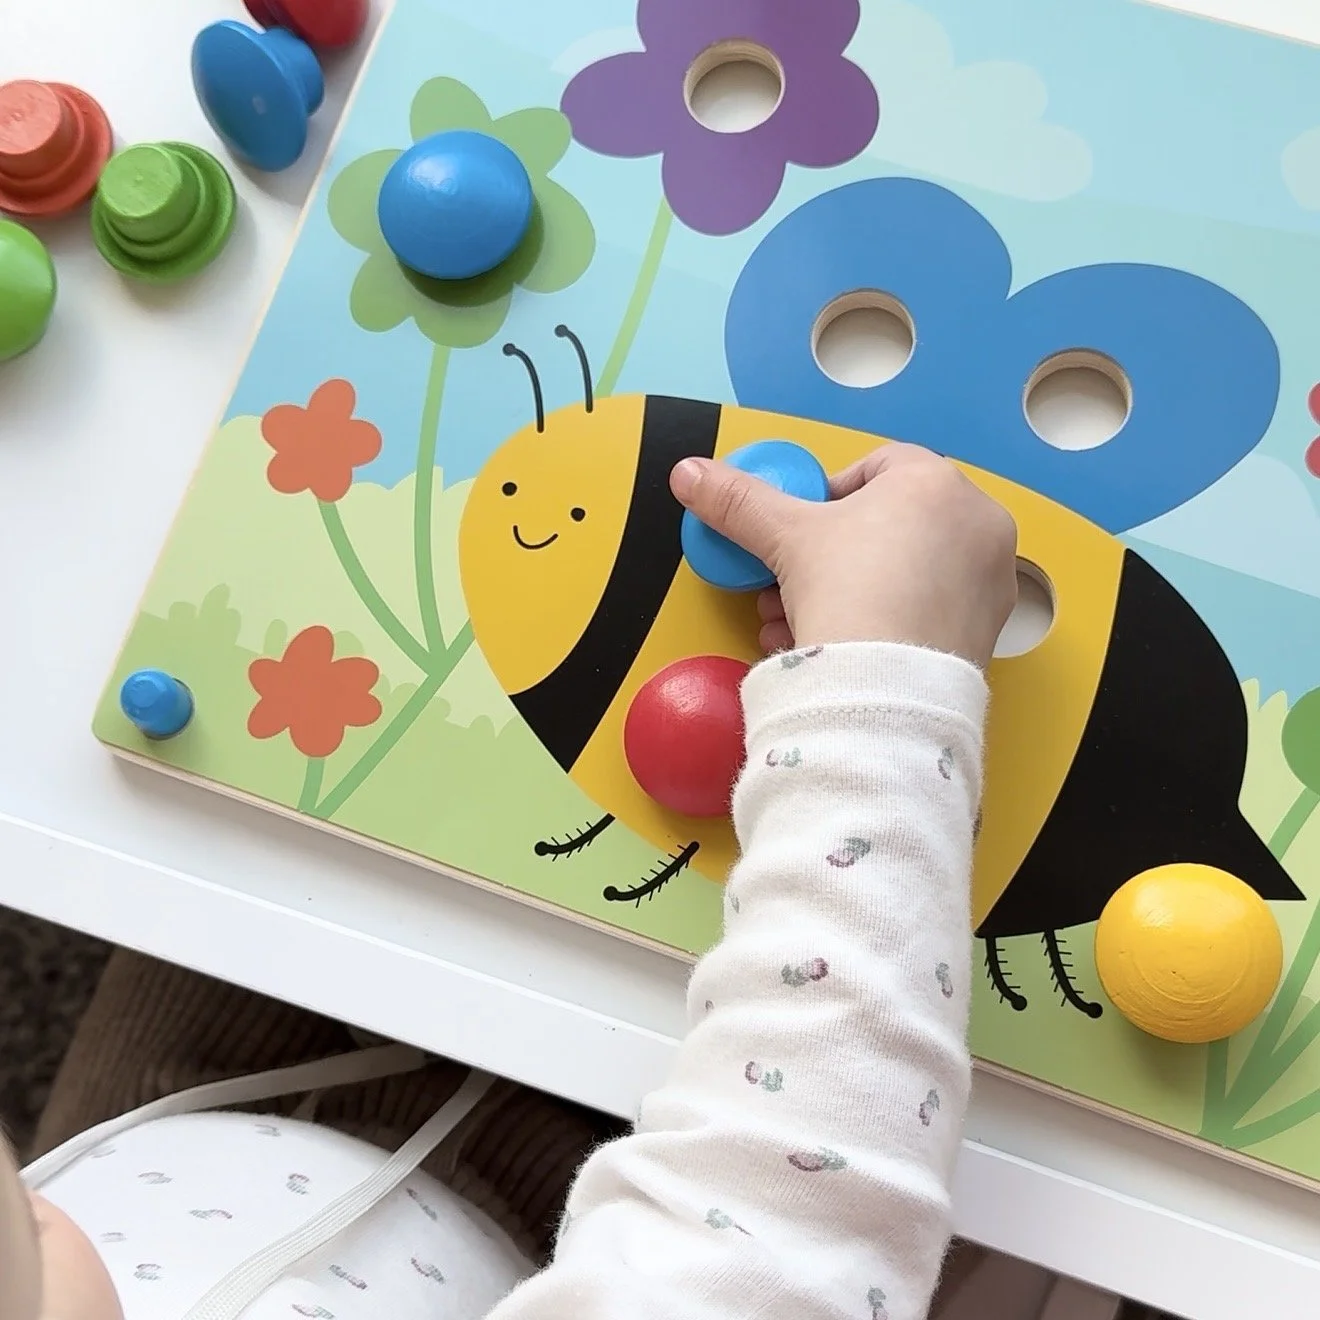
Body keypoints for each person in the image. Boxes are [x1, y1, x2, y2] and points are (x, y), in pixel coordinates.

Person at [0, 440, 1017, 1320]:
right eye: (31, 1254)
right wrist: (887, 688)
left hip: (191, 1132)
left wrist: (54, 1253)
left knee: (208, 836)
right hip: (548, 1216)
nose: (30, 1205)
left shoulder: (74, 1235)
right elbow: (788, 1221)